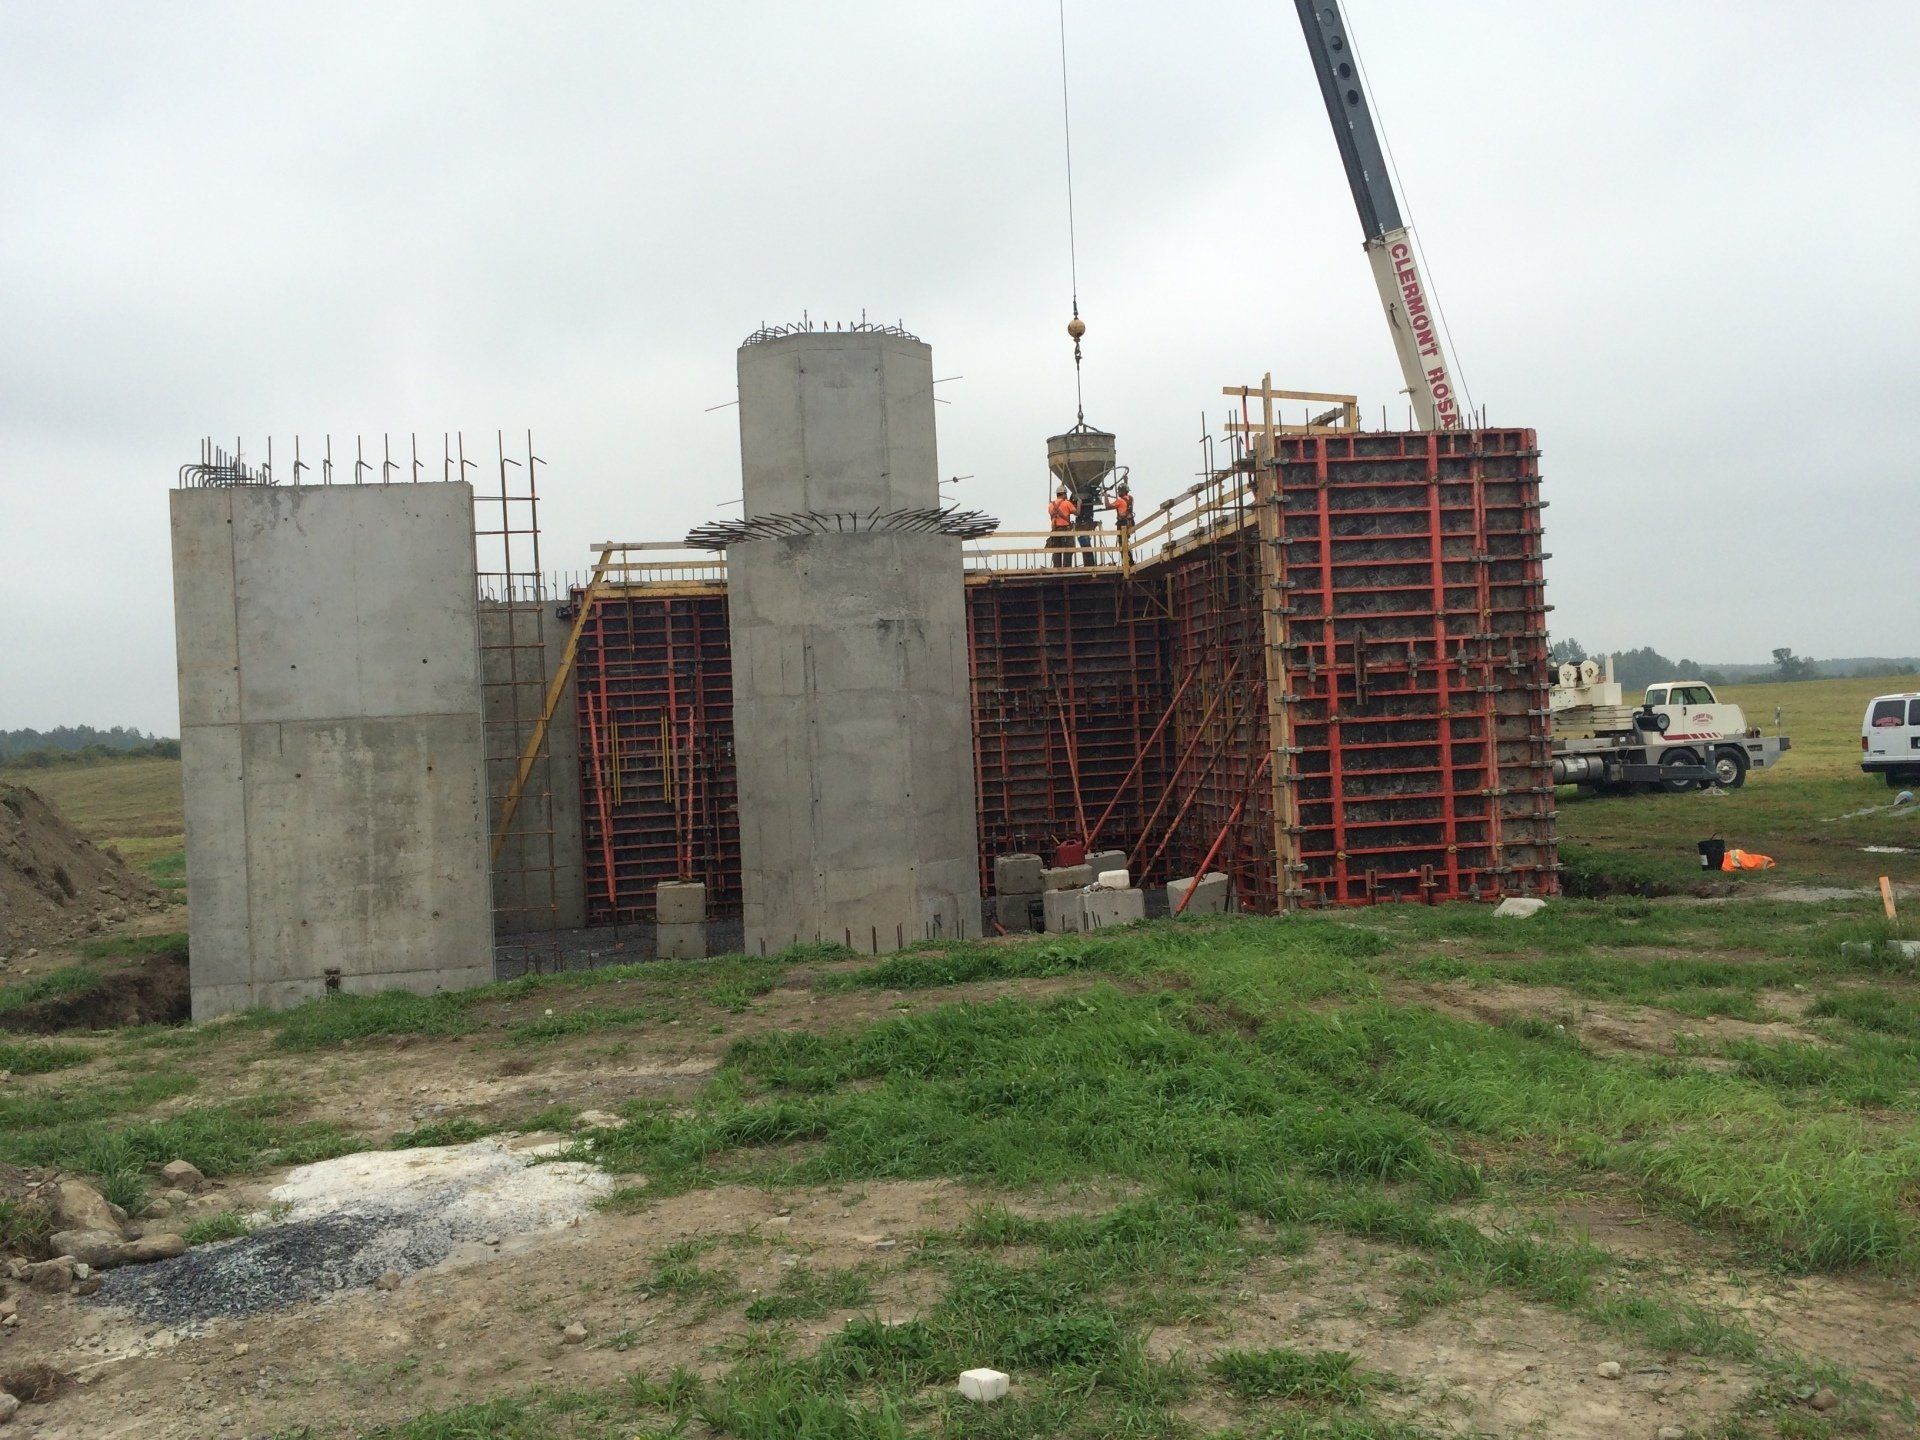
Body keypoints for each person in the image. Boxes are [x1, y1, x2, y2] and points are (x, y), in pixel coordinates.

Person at [1047, 485, 1076, 568]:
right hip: (1065, 530)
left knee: (1056, 550)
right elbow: (1077, 513)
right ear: (1063, 494)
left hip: (1055, 531)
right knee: (1068, 550)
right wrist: (1079, 504)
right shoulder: (1067, 503)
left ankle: (1057, 568)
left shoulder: (1050, 505)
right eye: (1065, 494)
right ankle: (1067, 568)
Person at [1111, 479, 1134, 565]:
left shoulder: (1120, 501)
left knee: (1122, 543)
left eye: (1119, 491)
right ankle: (1129, 561)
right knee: (1125, 542)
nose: (1118, 493)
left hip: (1122, 524)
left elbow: (1107, 506)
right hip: (1130, 522)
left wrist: (1105, 496)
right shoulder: (1130, 498)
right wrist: (1125, 481)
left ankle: (1128, 562)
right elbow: (1126, 496)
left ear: (1122, 491)